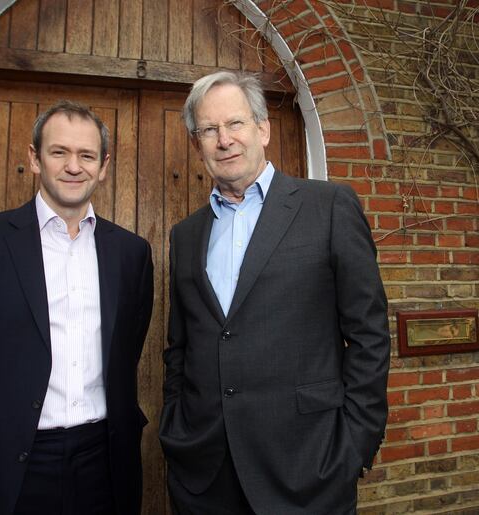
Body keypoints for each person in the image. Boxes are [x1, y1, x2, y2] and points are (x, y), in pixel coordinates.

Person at [159, 71, 391, 515]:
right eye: (209, 130)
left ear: (263, 128)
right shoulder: (185, 235)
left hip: (309, 465)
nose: (224, 139)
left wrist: (355, 443)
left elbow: (369, 334)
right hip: (206, 473)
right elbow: (180, 347)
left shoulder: (328, 207)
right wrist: (178, 427)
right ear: (197, 144)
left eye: (235, 124)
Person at [0, 101, 153, 515]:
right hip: (4, 460)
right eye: (59, 152)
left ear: (104, 165)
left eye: (87, 155)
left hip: (103, 461)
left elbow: (127, 346)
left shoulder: (130, 253)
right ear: (34, 159)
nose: (73, 166)